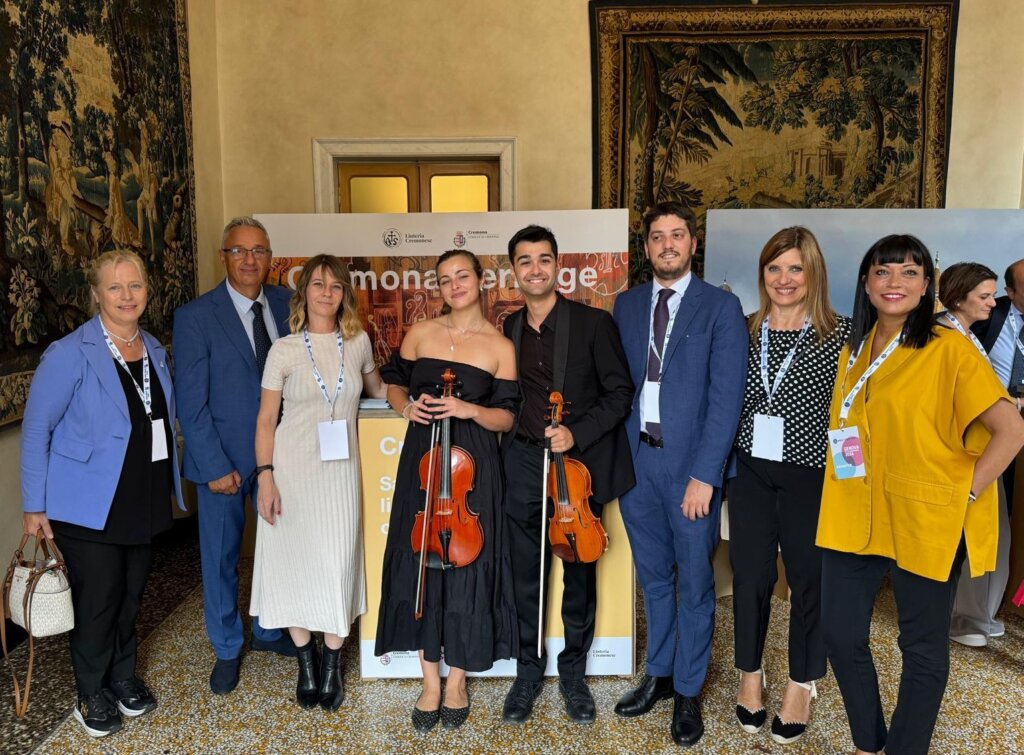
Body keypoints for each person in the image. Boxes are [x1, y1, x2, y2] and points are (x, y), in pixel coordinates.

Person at [817, 236, 1024, 755]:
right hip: (854, 509)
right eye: (883, 271)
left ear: (927, 285)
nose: (895, 282)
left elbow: (1011, 430)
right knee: (839, 633)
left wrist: (965, 494)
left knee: (922, 646)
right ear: (865, 283)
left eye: (909, 272)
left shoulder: (949, 348)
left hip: (925, 515)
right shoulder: (854, 350)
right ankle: (869, 743)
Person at [20, 250, 185, 737]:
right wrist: (34, 506)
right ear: (96, 294)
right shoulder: (70, 353)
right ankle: (90, 691)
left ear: (147, 290)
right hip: (89, 503)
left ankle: (121, 676)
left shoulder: (153, 348)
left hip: (144, 495)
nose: (126, 296)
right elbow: (36, 430)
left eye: (135, 285)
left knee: (131, 595)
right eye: (115, 287)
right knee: (98, 601)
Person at [612, 202, 748, 747]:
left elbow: (726, 399)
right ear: (646, 247)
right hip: (637, 464)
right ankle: (661, 674)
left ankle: (689, 689)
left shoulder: (721, 307)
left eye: (677, 235)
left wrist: (706, 475)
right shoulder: (625, 305)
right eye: (657, 236)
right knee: (653, 579)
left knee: (694, 583)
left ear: (694, 243)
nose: (666, 244)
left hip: (691, 469)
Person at [375, 249, 519, 732]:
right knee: (421, 562)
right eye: (445, 279)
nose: (454, 285)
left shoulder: (500, 346)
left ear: (481, 280)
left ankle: (457, 680)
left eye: (462, 275)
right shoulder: (420, 333)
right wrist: (405, 407)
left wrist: (469, 409)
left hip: (472, 473)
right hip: (424, 462)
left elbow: (507, 417)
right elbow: (392, 383)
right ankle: (429, 683)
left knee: (468, 567)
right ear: (438, 288)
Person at [498, 225, 635, 725]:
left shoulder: (594, 324)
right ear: (514, 271)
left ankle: (573, 674)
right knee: (525, 576)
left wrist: (576, 432)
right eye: (525, 261)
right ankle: (527, 672)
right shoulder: (508, 329)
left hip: (577, 468)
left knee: (578, 572)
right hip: (523, 461)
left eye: (543, 259)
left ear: (558, 266)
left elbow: (620, 394)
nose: (535, 269)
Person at [729, 227, 851, 744]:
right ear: (762, 274)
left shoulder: (841, 334)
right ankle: (749, 674)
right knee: (750, 576)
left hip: (813, 476)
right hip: (749, 472)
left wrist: (853, 482)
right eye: (774, 268)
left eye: (795, 268)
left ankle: (802, 683)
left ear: (813, 272)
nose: (784, 279)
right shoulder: (742, 328)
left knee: (809, 581)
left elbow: (855, 413)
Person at [250, 255, 387, 710]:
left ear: (345, 294)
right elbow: (266, 420)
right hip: (290, 471)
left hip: (339, 475)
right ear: (304, 292)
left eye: (335, 286)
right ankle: (306, 663)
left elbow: (378, 390)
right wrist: (265, 477)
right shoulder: (284, 350)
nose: (326, 293)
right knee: (293, 565)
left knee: (336, 564)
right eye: (318, 284)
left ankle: (332, 665)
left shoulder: (359, 342)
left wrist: (414, 395)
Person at [173, 216, 296, 695]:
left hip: (283, 456)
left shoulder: (289, 304)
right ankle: (226, 648)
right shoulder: (196, 317)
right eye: (239, 250)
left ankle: (268, 630)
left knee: (277, 550)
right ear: (223, 257)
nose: (249, 259)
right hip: (223, 460)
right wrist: (213, 465)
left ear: (271, 258)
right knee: (221, 557)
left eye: (259, 250)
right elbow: (191, 402)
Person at [937, 262, 1013, 648]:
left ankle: (970, 614)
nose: (992, 303)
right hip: (960, 455)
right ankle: (953, 618)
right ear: (957, 298)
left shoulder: (967, 333)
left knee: (979, 538)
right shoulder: (943, 336)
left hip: (981, 449)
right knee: (958, 541)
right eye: (984, 296)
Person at [959, 258, 1024, 646]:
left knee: (1008, 523)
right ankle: (967, 613)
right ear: (1010, 292)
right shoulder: (985, 315)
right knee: (984, 520)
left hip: (1015, 434)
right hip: (984, 431)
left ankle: (986, 609)